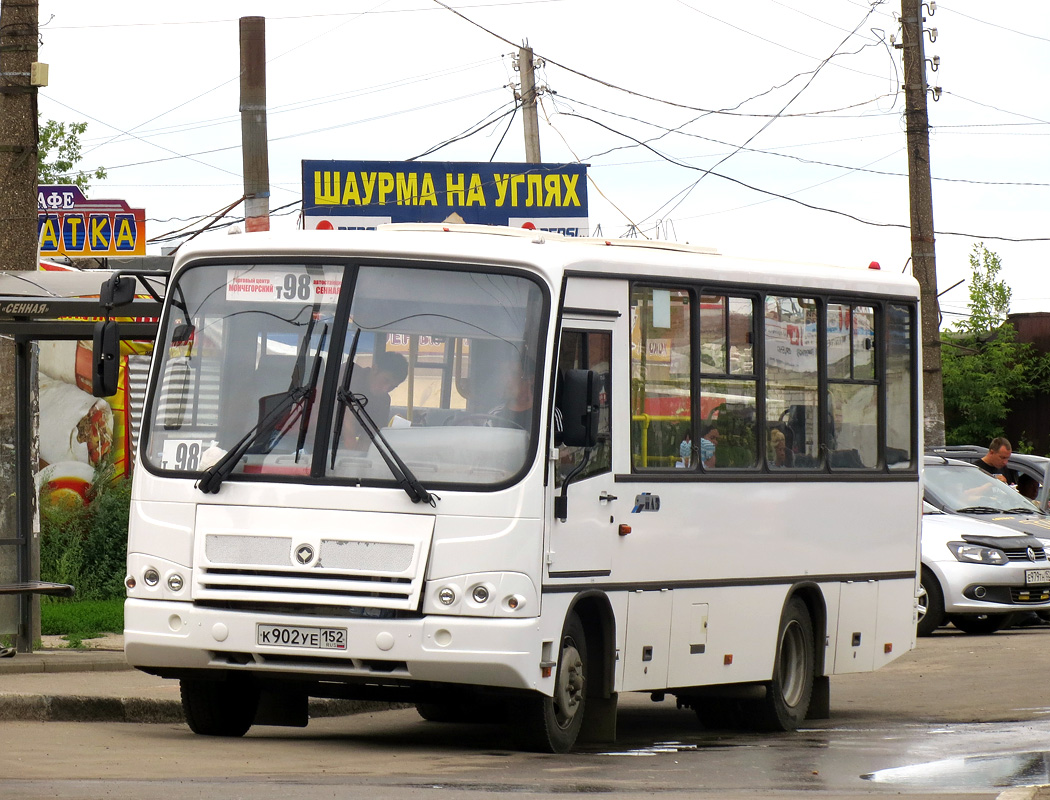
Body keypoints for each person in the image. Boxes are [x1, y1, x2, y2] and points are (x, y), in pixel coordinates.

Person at [343, 351, 409, 450]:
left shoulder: (384, 400)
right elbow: (347, 421)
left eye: (392, 387)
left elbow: (373, 435)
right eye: (386, 380)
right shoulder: (349, 375)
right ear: (375, 369)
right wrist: (352, 447)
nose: (386, 389)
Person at [489, 357, 535, 430]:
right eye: (503, 374)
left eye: (513, 374)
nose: (505, 379)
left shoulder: (546, 412)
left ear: (530, 379)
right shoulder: (494, 414)